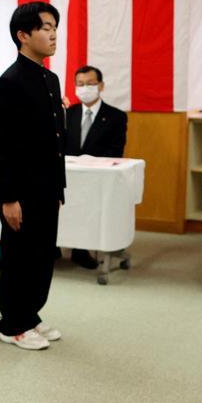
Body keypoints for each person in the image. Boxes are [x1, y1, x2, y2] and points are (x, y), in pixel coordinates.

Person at [0, 1, 66, 351]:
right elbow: (2, 146)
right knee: (20, 257)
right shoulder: (11, 82)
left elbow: (55, 141)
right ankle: (12, 323)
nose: (53, 34)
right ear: (23, 35)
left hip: (48, 187)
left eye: (55, 27)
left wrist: (59, 186)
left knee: (41, 255)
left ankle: (31, 314)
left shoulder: (49, 78)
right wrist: (8, 197)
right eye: (45, 27)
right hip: (21, 190)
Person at [65, 64, 128, 269]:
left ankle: (81, 250)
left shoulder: (116, 116)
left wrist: (89, 164)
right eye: (80, 84)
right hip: (67, 175)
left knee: (88, 210)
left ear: (101, 86)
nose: (85, 88)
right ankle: (55, 247)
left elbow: (115, 151)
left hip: (97, 177)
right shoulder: (67, 113)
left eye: (90, 83)